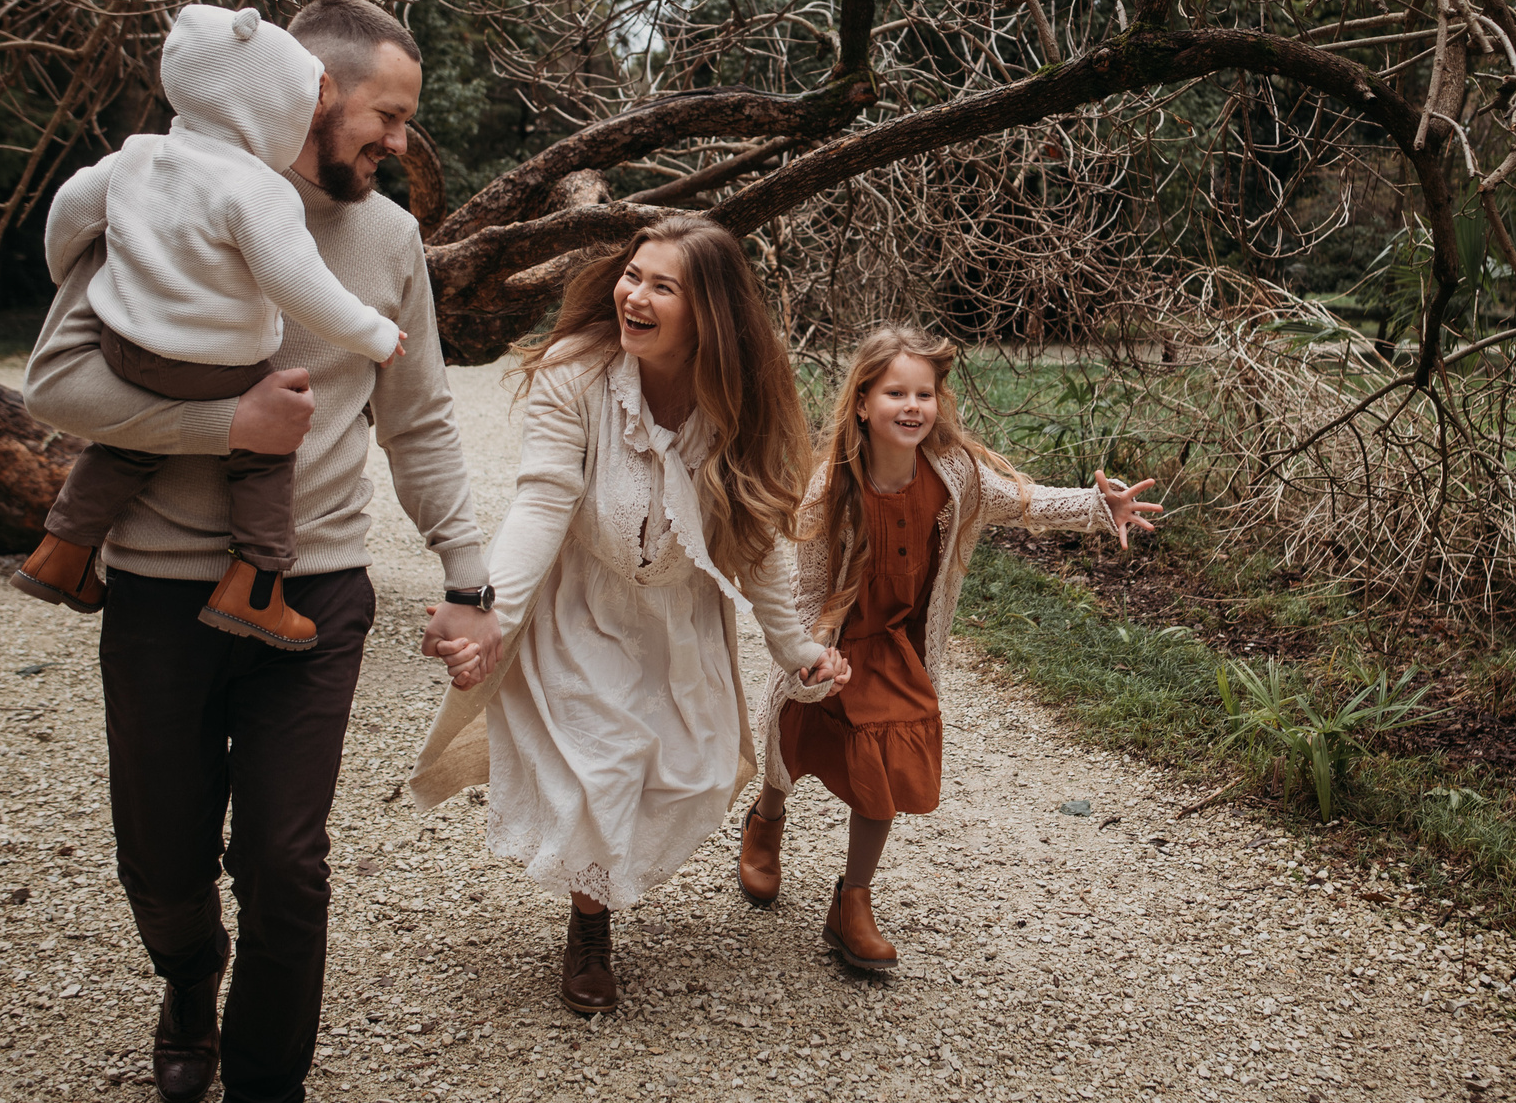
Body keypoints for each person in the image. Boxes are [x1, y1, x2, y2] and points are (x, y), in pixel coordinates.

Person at [22, 0, 487, 1103]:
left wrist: (468, 574)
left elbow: (422, 416)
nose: (397, 142)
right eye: (386, 116)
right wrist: (223, 421)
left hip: (315, 591)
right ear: (315, 97)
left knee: (288, 859)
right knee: (160, 853)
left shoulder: (388, 242)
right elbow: (56, 385)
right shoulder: (158, 194)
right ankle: (188, 970)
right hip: (159, 595)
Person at [406, 215, 851, 1015]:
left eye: (661, 285)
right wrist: (486, 611)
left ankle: (602, 881)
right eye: (632, 275)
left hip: (680, 619)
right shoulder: (579, 373)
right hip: (584, 604)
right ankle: (590, 924)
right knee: (602, 765)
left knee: (694, 772)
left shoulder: (738, 395)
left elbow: (758, 537)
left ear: (707, 311)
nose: (633, 295)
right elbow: (541, 501)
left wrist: (793, 647)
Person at [742, 325, 1160, 968]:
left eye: (925, 394)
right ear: (861, 402)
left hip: (898, 649)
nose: (912, 407)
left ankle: (852, 901)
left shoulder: (954, 474)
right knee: (790, 739)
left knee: (889, 764)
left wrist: (1095, 506)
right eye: (895, 393)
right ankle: (767, 820)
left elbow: (1019, 502)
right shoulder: (834, 490)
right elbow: (806, 586)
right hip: (836, 642)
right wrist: (806, 657)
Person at [10, 3, 407, 648]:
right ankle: (256, 584)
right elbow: (297, 285)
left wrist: (71, 273)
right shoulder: (255, 188)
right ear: (269, 106)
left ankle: (62, 551)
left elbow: (69, 210)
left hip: (126, 343)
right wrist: (374, 334)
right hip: (209, 362)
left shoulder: (139, 156)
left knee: (130, 441)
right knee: (267, 445)